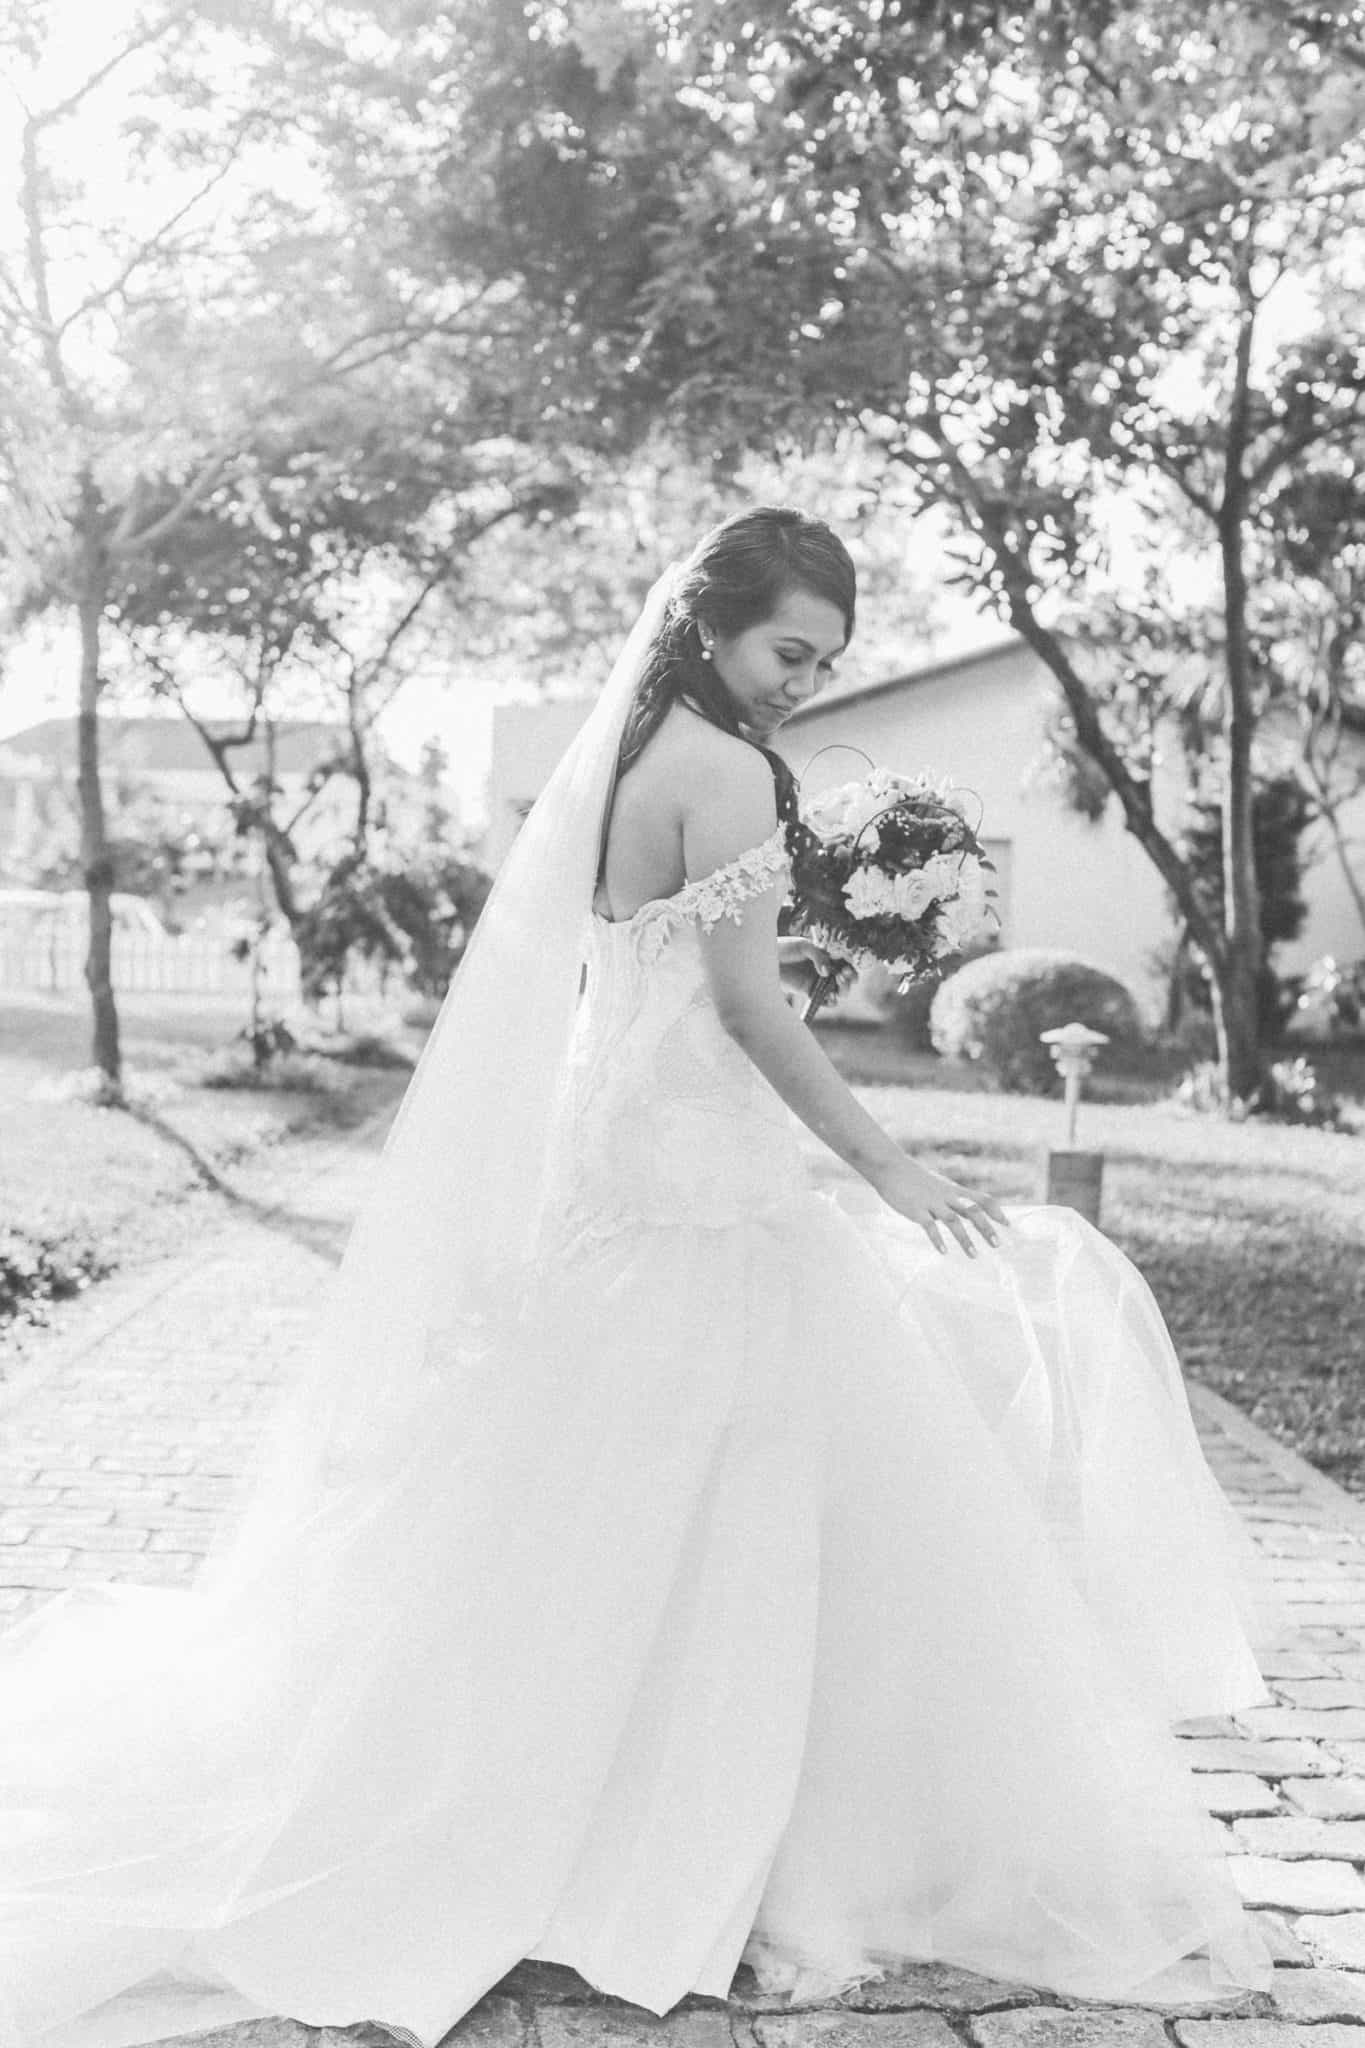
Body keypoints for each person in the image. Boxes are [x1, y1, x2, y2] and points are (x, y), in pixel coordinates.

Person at [0, 506, 1282, 2048]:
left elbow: (663, 974)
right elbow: (745, 1010)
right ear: (714, 622)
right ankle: (687, 1830)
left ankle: (562, 1791)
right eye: (789, 650)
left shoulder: (625, 758)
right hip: (700, 1179)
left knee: (582, 1482)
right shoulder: (726, 770)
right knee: (738, 1470)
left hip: (619, 1156)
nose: (804, 681)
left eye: (824, 662)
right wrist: (885, 1160)